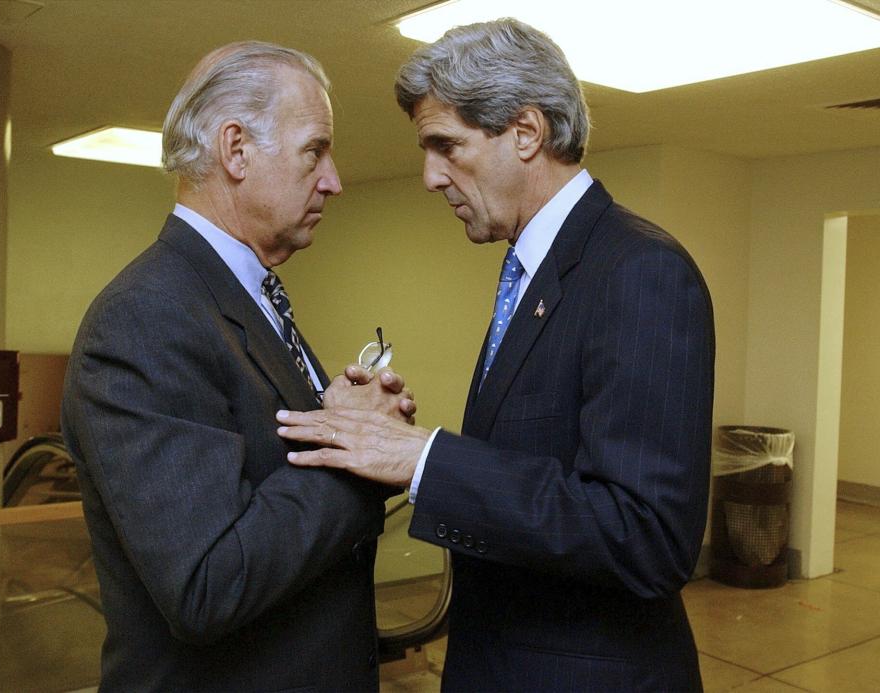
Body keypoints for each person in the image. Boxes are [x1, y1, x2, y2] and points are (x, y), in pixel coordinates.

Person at [276, 18, 715, 692]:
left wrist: (424, 460)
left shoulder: (639, 270)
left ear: (527, 133)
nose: (429, 176)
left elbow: (648, 537)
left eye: (446, 146)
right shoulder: (532, 271)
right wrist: (400, 448)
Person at [61, 41, 412, 692]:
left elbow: (269, 467)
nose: (335, 179)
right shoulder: (146, 318)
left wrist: (346, 420)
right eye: (315, 150)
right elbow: (206, 582)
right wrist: (353, 451)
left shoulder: (244, 295)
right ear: (236, 150)